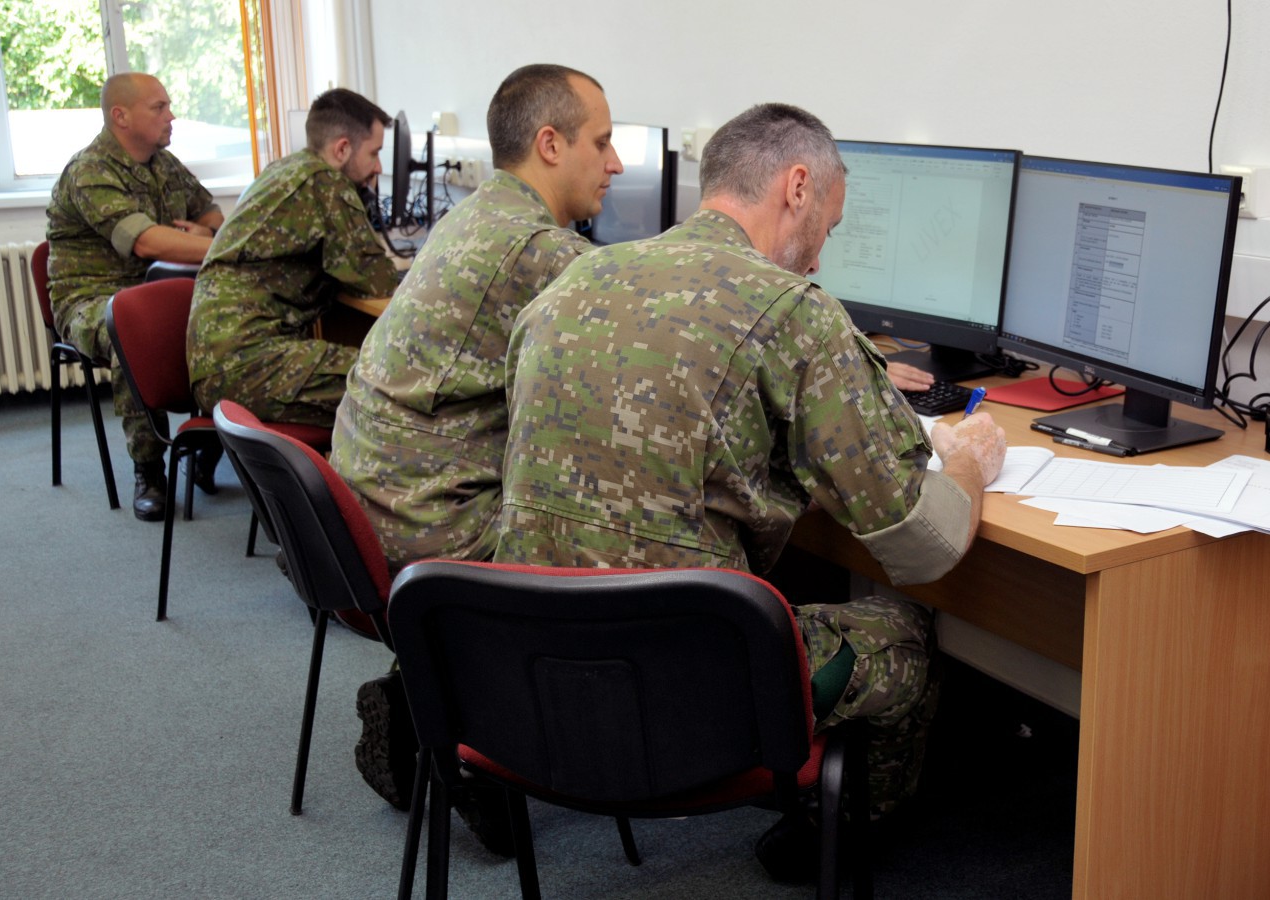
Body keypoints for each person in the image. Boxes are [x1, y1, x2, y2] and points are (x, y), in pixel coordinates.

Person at [492, 103, 1007, 881]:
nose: (820, 259)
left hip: (523, 673)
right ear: (797, 187)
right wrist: (967, 462)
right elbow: (922, 543)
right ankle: (832, 839)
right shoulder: (793, 312)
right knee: (904, 634)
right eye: (828, 226)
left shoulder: (571, 281)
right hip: (684, 695)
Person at [328, 63, 623, 852]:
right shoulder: (537, 249)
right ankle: (486, 736)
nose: (617, 162)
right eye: (601, 142)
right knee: (646, 536)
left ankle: (426, 695)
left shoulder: (476, 213)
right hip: (427, 521)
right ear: (550, 144)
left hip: (369, 503)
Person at [46, 72, 225, 522]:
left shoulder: (164, 164)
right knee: (129, 329)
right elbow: (144, 241)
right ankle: (149, 470)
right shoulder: (89, 171)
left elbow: (212, 215)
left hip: (156, 290)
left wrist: (206, 231)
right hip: (91, 298)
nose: (171, 116)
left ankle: (211, 442)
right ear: (120, 116)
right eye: (159, 107)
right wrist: (221, 246)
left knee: (231, 322)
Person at [186, 88, 401, 431]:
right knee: (395, 378)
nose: (378, 167)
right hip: (251, 364)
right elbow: (380, 283)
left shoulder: (286, 169)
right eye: (374, 153)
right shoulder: (326, 184)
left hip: (218, 361)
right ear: (342, 149)